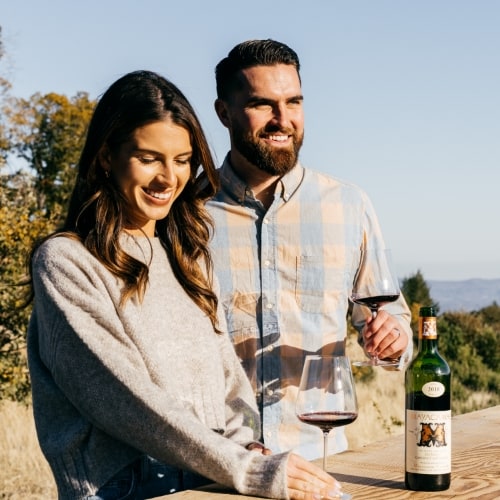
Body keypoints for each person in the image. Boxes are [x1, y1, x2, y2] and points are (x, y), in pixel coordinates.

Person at [26, 70, 344, 499]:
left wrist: (249, 445)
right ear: (106, 156)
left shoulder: (186, 256)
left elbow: (230, 382)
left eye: (182, 160)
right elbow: (124, 399)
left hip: (209, 475)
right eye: (149, 157)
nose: (168, 178)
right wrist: (248, 469)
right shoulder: (67, 262)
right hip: (126, 487)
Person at [206, 39, 413, 460]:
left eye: (294, 102)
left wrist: (394, 339)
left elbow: (394, 319)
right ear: (224, 113)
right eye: (263, 105)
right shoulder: (185, 215)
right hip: (215, 468)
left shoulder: (349, 206)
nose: (283, 120)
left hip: (320, 461)